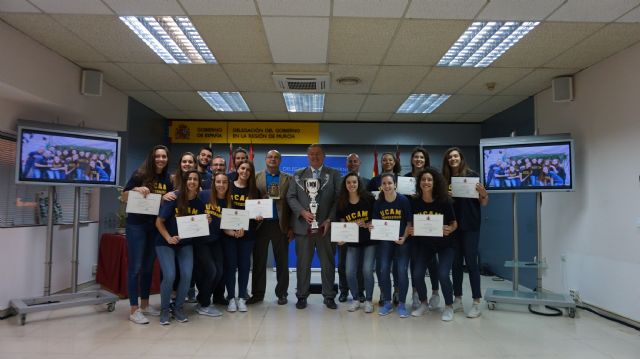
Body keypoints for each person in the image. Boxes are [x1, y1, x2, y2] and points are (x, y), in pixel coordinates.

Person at [122, 145, 174, 324]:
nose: (160, 159)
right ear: (152, 158)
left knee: (148, 267)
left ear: (167, 159)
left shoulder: (168, 179)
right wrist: (135, 191)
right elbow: (123, 196)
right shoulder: (140, 174)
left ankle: (144, 305)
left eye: (164, 156)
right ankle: (133, 309)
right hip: (136, 225)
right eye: (157, 156)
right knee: (135, 267)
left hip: (154, 227)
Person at [287, 144, 342, 310]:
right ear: (307, 157)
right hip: (304, 227)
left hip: (325, 228)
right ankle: (302, 296)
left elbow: (337, 199)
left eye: (318, 154)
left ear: (324, 156)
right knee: (303, 263)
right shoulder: (298, 175)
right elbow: (291, 197)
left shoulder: (333, 174)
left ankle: (329, 296)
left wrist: (330, 220)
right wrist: (303, 212)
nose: (315, 157)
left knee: (328, 263)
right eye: (311, 154)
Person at [442, 147, 488, 318]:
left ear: (461, 158)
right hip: (453, 226)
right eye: (450, 157)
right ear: (447, 161)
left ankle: (476, 301)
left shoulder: (472, 176)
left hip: (470, 225)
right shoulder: (444, 179)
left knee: (471, 263)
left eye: (455, 156)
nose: (453, 159)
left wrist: (483, 194)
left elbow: (483, 202)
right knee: (455, 264)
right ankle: (458, 299)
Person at [408, 167, 458, 321]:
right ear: (419, 183)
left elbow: (454, 223)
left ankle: (449, 306)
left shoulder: (444, 200)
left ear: (435, 182)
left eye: (429, 179)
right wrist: (410, 230)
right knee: (417, 275)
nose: (426, 182)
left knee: (443, 275)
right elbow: (411, 223)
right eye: (423, 179)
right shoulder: (414, 201)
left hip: (445, 245)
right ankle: (423, 303)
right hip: (424, 244)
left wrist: (450, 229)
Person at [155, 170, 204, 325]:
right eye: (189, 179)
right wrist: (169, 237)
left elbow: (197, 227)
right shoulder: (173, 197)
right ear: (185, 181)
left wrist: (205, 222)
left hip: (185, 244)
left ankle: (178, 308)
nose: (192, 182)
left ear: (199, 183)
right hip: (165, 242)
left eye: (195, 179)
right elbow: (159, 222)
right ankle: (164, 310)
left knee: (187, 275)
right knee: (169, 275)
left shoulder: (199, 203)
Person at [248, 150, 293, 305]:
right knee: (259, 261)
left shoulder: (288, 179)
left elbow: (291, 204)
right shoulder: (256, 177)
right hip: (260, 224)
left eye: (276, 157)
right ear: (265, 159)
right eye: (270, 157)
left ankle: (282, 293)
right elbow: (250, 198)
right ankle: (258, 294)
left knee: (282, 261)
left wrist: (291, 227)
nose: (273, 159)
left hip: (280, 225)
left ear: (280, 160)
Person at [403, 146, 440, 310]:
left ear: (426, 160)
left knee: (432, 261)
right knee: (414, 261)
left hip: (429, 224)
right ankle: (415, 293)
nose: (419, 160)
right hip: (411, 226)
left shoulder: (432, 177)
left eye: (422, 157)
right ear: (412, 160)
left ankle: (435, 292)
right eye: (416, 157)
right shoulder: (405, 179)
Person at [373, 173, 412, 317]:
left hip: (402, 240)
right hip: (385, 241)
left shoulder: (403, 200)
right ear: (381, 186)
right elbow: (376, 223)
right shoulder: (378, 202)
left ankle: (402, 303)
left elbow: (409, 223)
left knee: (402, 270)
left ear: (395, 184)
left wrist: (404, 237)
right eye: (384, 183)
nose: (387, 186)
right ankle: (388, 302)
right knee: (383, 269)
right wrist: (372, 227)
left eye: (390, 183)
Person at [336, 172, 376, 313]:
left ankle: (369, 300)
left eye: (354, 182)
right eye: (348, 182)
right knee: (349, 272)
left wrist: (367, 223)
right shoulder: (341, 202)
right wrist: (341, 237)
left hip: (368, 241)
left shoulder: (369, 199)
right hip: (352, 242)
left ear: (359, 183)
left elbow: (375, 218)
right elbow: (342, 224)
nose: (352, 185)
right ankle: (355, 298)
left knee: (366, 270)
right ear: (345, 185)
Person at [223, 161, 260, 313]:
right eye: (242, 168)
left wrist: (258, 217)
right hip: (228, 233)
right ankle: (231, 297)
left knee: (245, 267)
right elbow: (224, 209)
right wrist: (231, 229)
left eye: (248, 170)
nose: (245, 171)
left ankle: (242, 298)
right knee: (230, 266)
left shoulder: (254, 190)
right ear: (237, 169)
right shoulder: (228, 187)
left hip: (247, 234)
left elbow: (255, 212)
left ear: (251, 173)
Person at [194, 171, 230, 317]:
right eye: (218, 182)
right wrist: (200, 218)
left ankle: (202, 297)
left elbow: (227, 225)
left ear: (228, 184)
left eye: (224, 182)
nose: (221, 185)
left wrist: (235, 232)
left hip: (216, 240)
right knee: (211, 271)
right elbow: (190, 210)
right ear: (213, 183)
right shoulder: (203, 195)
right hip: (200, 240)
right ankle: (204, 304)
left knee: (219, 272)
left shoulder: (228, 201)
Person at [338, 153, 368, 302]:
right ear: (346, 163)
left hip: (363, 234)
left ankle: (360, 292)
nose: (353, 163)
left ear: (360, 163)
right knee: (343, 264)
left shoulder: (368, 183)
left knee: (361, 265)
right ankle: (343, 291)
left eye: (355, 161)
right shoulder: (340, 184)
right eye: (350, 161)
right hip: (346, 232)